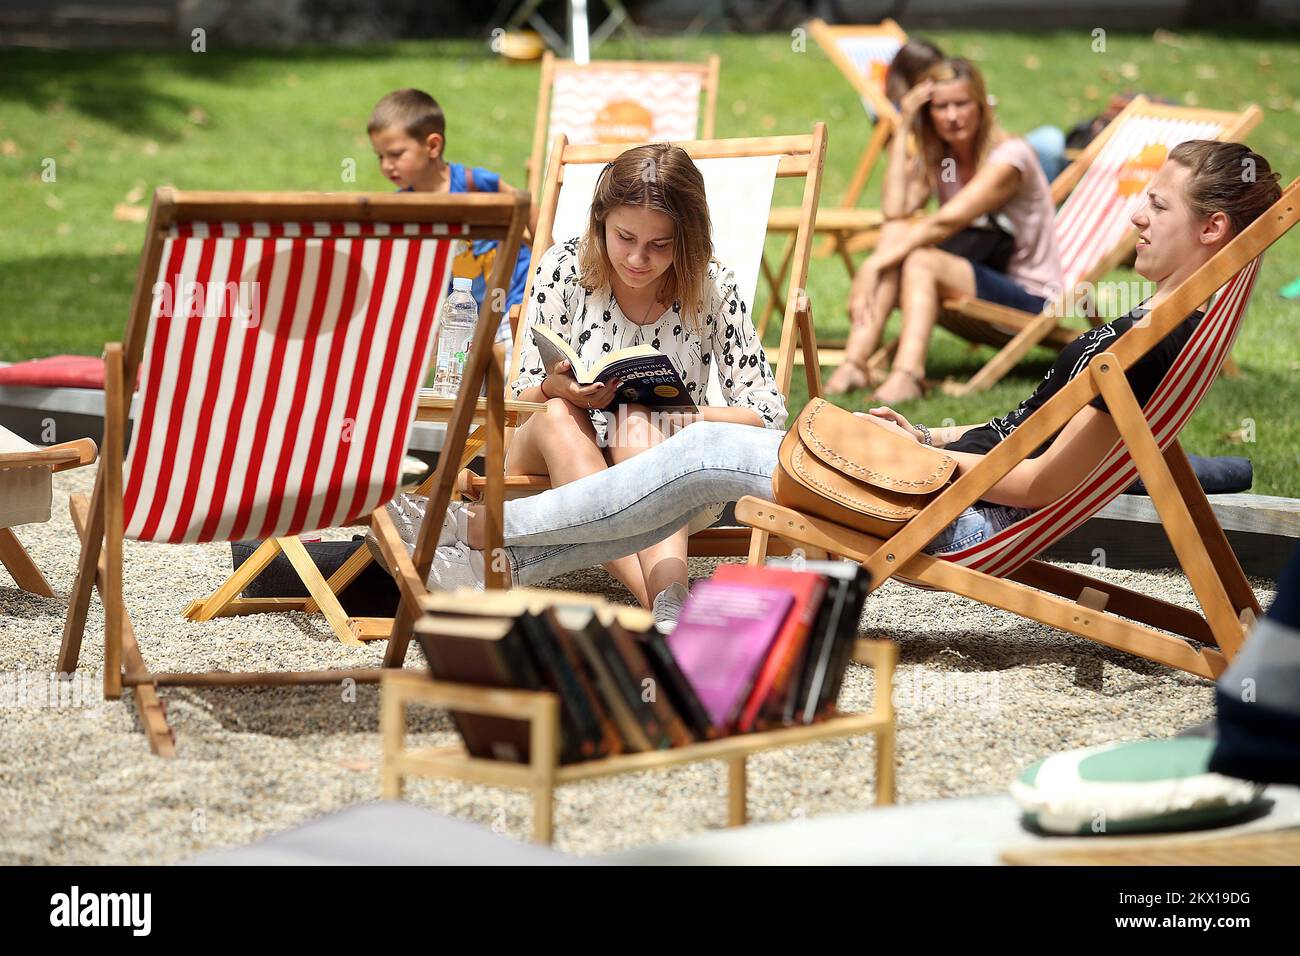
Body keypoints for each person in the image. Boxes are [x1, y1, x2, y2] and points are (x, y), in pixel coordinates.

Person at [392, 142, 1280, 612]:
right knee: (686, 455)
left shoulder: (1155, 341)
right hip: (932, 476)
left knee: (694, 446)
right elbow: (1029, 445)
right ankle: (482, 547)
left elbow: (1045, 479)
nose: (1138, 212)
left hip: (948, 510)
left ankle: (472, 532)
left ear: (1211, 233)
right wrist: (926, 434)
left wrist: (929, 464)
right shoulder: (1162, 327)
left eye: (1158, 204)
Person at [399, 143, 787, 631]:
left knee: (637, 422)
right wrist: (558, 388)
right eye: (624, 237)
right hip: (553, 447)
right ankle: (671, 603)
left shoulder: (710, 288)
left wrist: (684, 417)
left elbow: (766, 413)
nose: (638, 258)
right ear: (600, 221)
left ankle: (666, 609)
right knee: (558, 416)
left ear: (686, 241)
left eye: (660, 245)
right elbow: (520, 395)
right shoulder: (565, 268)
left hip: (661, 468)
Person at [825, 58, 1063, 403]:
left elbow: (946, 222)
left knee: (920, 258)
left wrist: (872, 265)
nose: (952, 116)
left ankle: (908, 374)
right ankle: (854, 361)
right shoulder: (943, 158)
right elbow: (894, 210)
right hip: (979, 276)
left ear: (981, 106)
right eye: (941, 107)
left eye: (962, 104)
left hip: (1030, 296)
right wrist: (904, 125)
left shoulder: (1011, 157)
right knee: (896, 233)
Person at [367, 88, 534, 365]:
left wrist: (550, 254)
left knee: (506, 377)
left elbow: (525, 204)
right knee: (458, 387)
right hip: (460, 315)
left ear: (432, 146)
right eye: (380, 157)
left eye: (395, 154)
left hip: (511, 302)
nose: (387, 166)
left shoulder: (473, 183)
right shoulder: (401, 207)